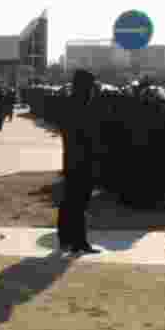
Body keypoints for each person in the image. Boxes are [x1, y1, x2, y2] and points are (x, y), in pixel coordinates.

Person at [57, 70, 100, 254]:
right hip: (82, 161)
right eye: (91, 86)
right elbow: (88, 136)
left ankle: (66, 238)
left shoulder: (69, 104)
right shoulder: (83, 107)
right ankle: (78, 241)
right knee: (79, 202)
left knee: (69, 201)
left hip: (72, 159)